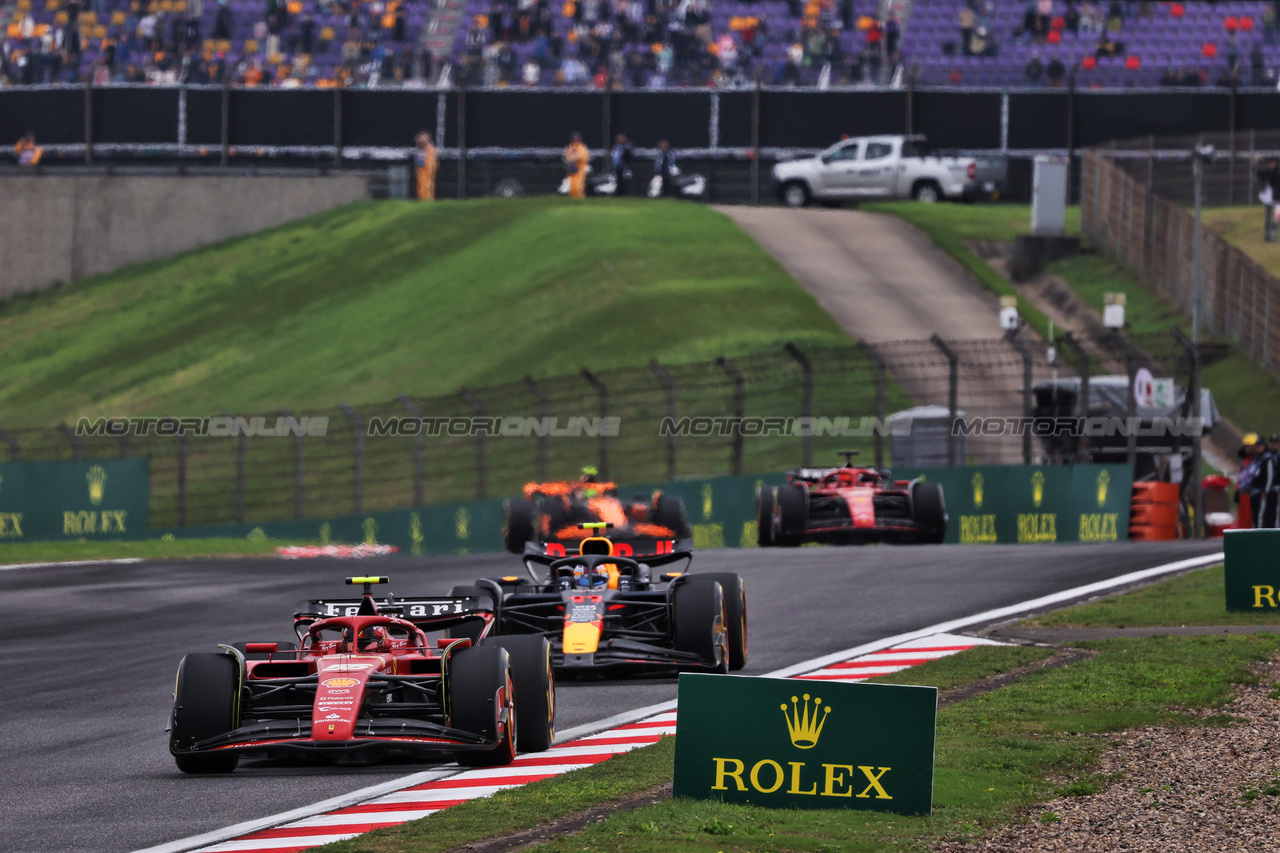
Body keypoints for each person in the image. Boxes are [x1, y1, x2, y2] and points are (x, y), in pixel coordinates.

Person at [1237, 432, 1265, 527]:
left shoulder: (1259, 461)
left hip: (1253, 494)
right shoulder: (1245, 461)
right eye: (1246, 446)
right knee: (1242, 520)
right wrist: (1237, 490)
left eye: (1250, 446)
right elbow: (1240, 477)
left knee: (1253, 520)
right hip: (1243, 495)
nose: (1247, 448)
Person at [1259, 434, 1280, 528]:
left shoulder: (1275, 457)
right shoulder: (1266, 456)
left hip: (1274, 489)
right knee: (1268, 514)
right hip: (1270, 490)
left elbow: (1271, 475)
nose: (1273, 445)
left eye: (1275, 443)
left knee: (1274, 513)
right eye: (1272, 443)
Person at [1257, 156, 1280, 242]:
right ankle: (1267, 235)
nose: (1272, 165)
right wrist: (1258, 161)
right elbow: (1258, 170)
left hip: (1276, 196)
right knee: (1268, 216)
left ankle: (1274, 234)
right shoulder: (1265, 171)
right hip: (1267, 197)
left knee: (1276, 216)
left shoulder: (1277, 172)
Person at [563, 132, 589, 198]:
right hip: (571, 169)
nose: (575, 139)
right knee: (572, 186)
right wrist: (571, 158)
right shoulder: (570, 147)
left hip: (580, 169)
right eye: (574, 138)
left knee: (578, 186)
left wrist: (573, 158)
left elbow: (582, 156)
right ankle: (572, 199)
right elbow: (566, 157)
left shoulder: (582, 147)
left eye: (577, 138)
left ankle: (579, 198)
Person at [413, 131, 437, 200]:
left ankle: (428, 199)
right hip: (420, 171)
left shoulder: (431, 149)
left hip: (428, 171)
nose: (423, 140)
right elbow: (417, 161)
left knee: (428, 185)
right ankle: (422, 198)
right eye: (421, 138)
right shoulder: (418, 149)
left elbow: (432, 161)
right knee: (420, 185)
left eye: (425, 138)